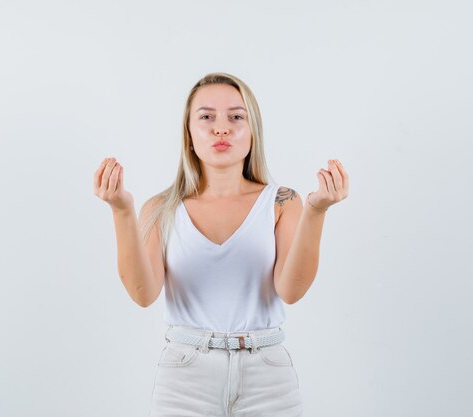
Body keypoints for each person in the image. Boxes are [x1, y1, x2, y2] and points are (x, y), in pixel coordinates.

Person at [93, 72, 349, 417]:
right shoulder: (160, 208)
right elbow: (143, 293)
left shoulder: (283, 202)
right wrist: (121, 210)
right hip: (185, 376)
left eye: (236, 117)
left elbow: (290, 290)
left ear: (252, 129)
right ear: (189, 133)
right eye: (207, 117)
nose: (221, 128)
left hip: (268, 375)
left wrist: (317, 211)